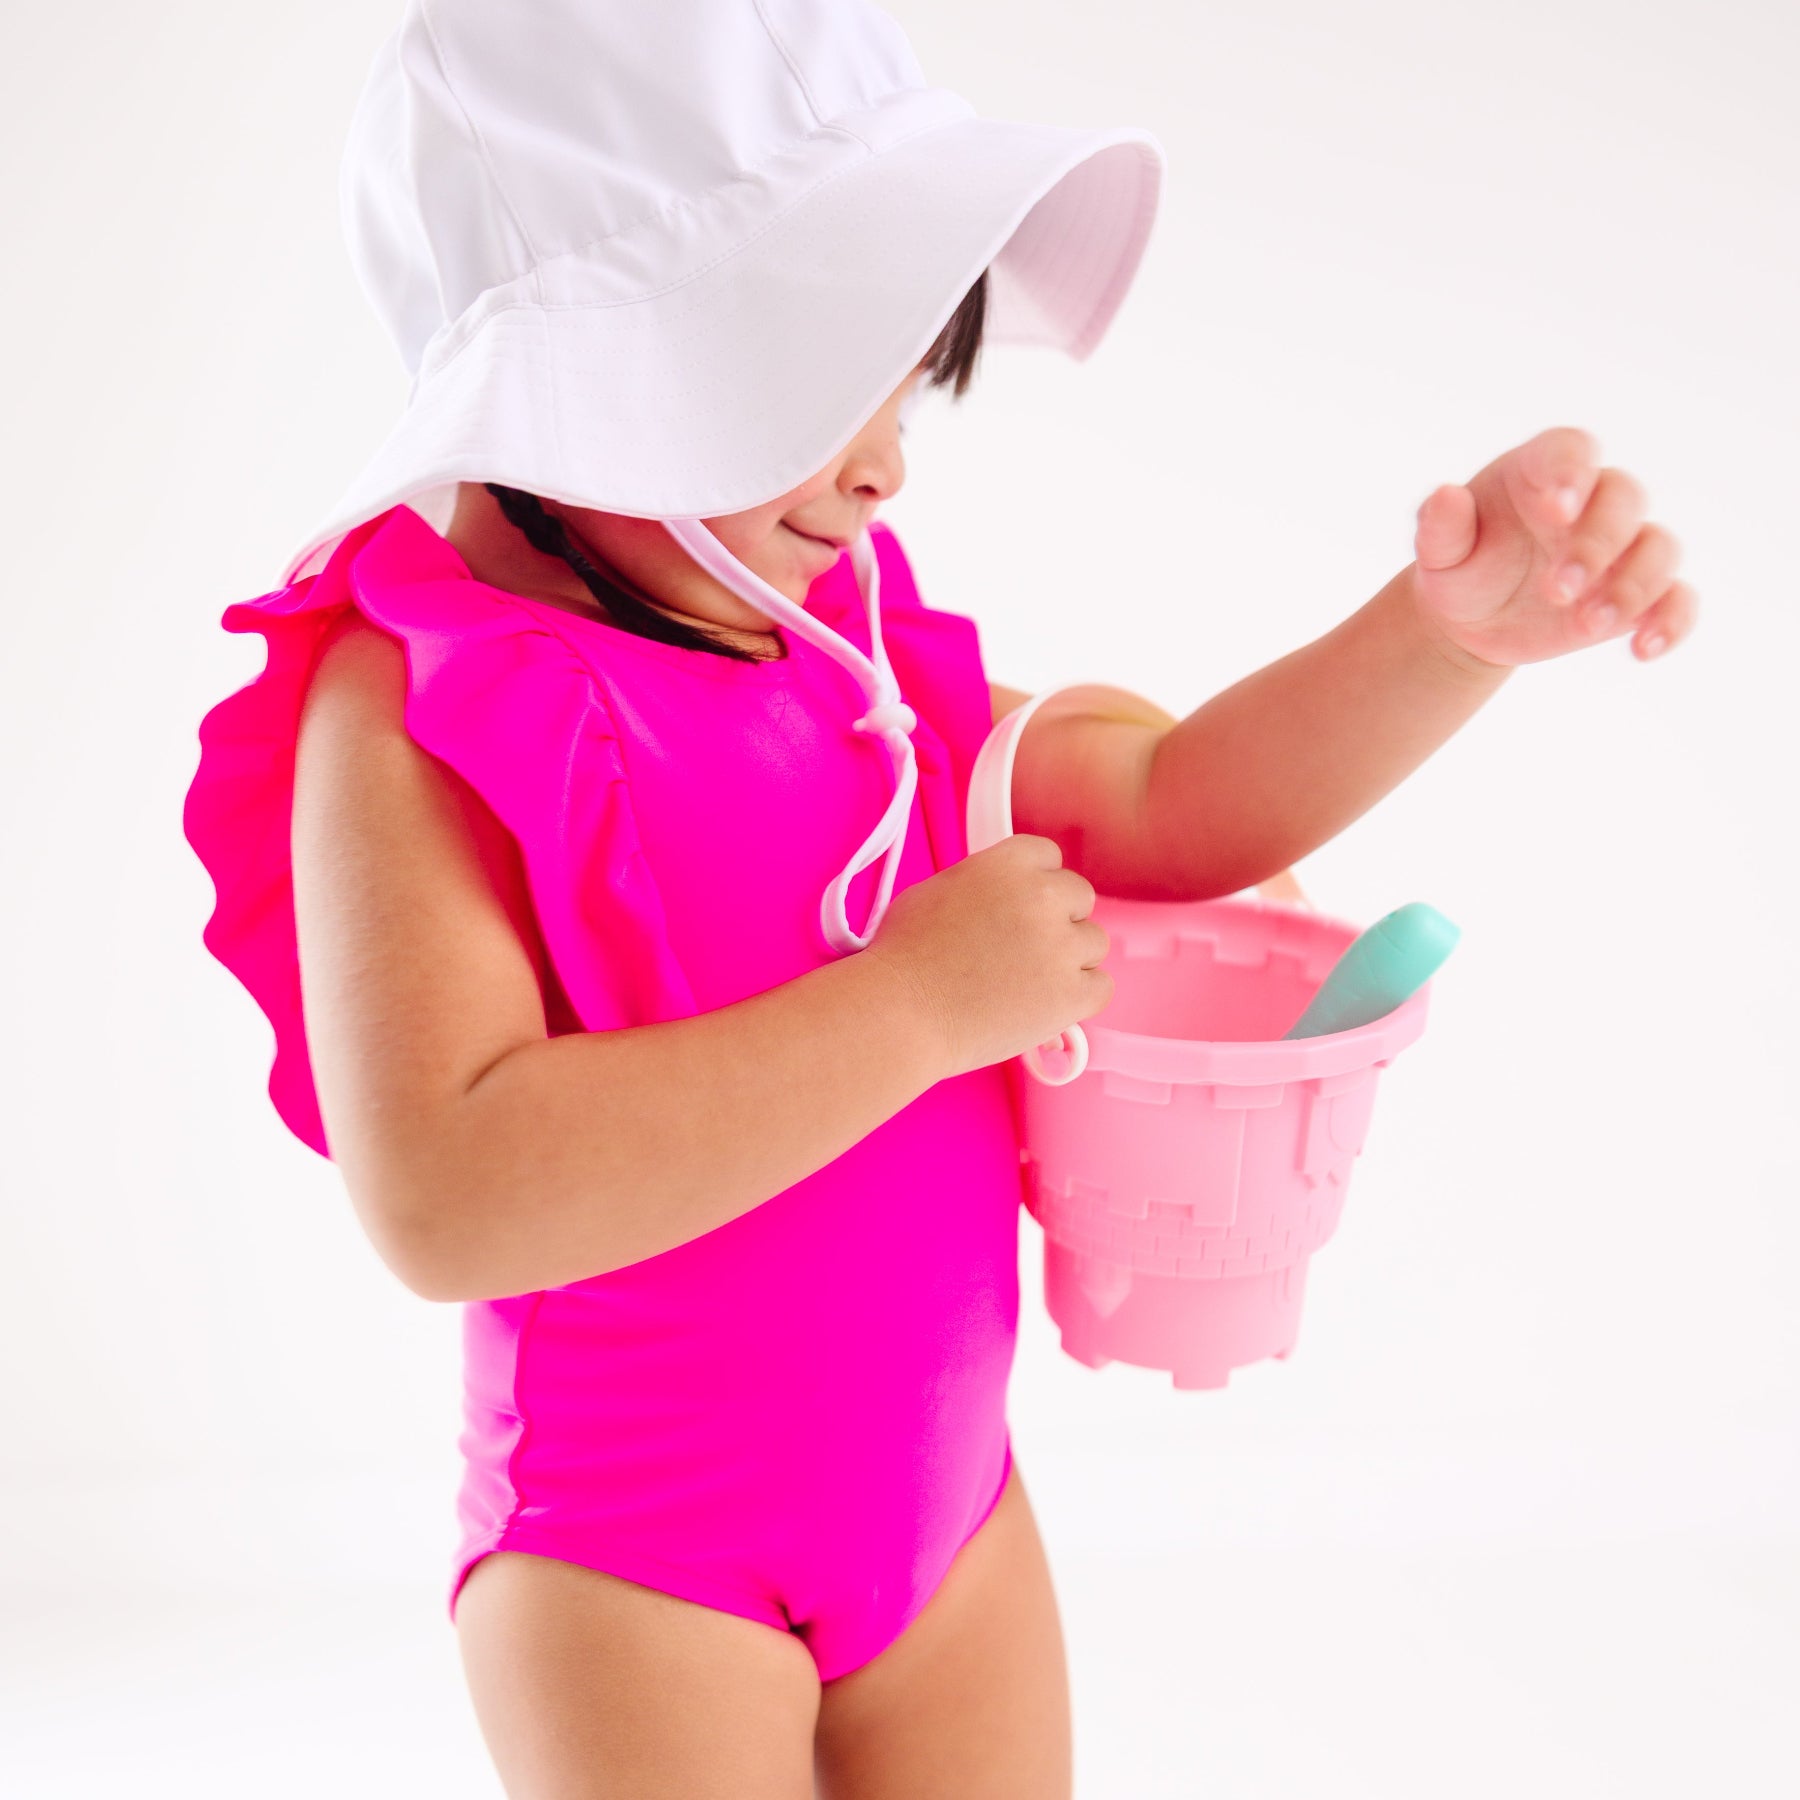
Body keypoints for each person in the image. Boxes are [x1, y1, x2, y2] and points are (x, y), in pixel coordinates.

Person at [182, 2, 1697, 1795]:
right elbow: (442, 1187)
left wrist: (1444, 641)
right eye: (827, 392)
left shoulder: (856, 641)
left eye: (910, 388)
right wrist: (908, 1009)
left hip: (949, 1525)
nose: (891, 461)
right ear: (595, 363)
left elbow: (1164, 804)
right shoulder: (418, 692)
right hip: (635, 1567)